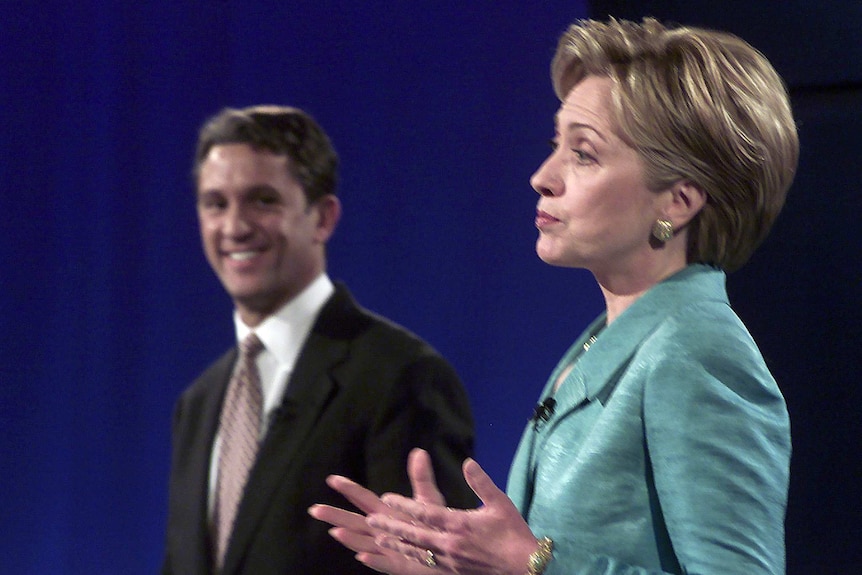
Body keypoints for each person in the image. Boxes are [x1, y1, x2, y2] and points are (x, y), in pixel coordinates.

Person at [309, 17, 798, 575]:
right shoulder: (607, 340)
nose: (543, 176)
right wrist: (456, 565)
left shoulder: (699, 352)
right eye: (555, 145)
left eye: (584, 153)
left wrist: (530, 562)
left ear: (678, 202)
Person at [162, 105, 478, 575]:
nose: (234, 226)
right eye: (215, 203)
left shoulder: (400, 376)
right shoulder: (200, 402)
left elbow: (439, 566)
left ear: (323, 218)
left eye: (262, 200)